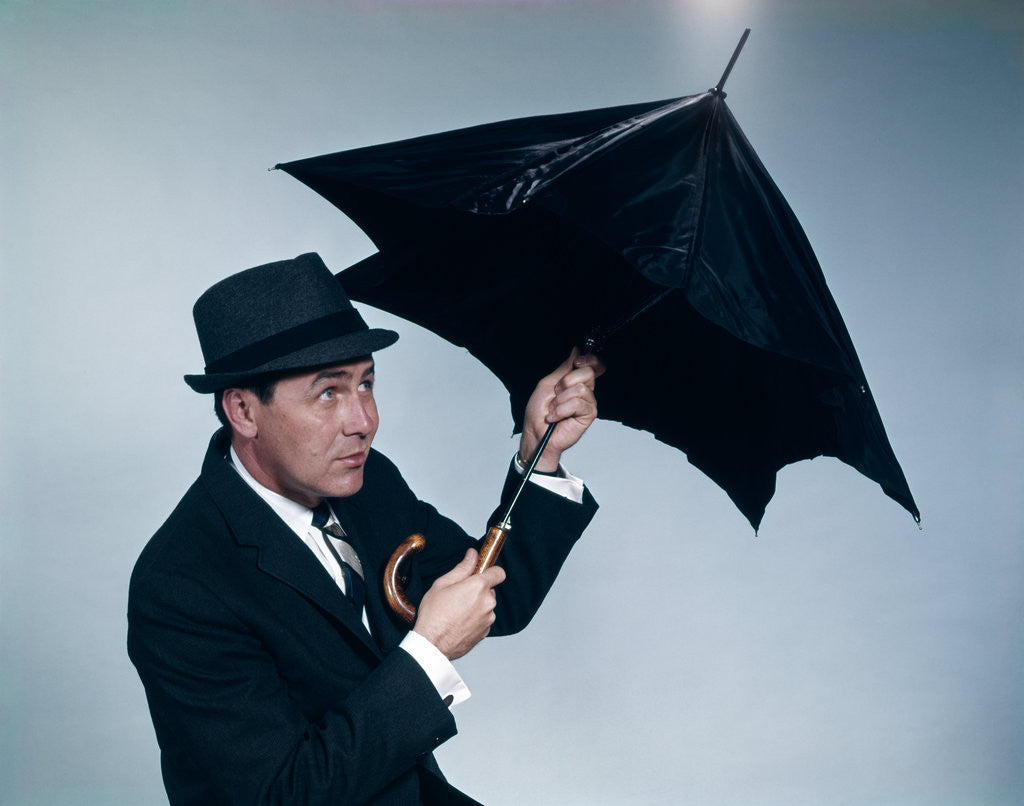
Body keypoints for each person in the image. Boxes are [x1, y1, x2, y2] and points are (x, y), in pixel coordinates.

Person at [127, 252, 601, 805]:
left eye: (366, 384)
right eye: (329, 392)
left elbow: (501, 597)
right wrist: (430, 651)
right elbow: (282, 796)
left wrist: (537, 454)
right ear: (243, 411)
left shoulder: (366, 483)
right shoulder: (181, 583)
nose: (364, 421)